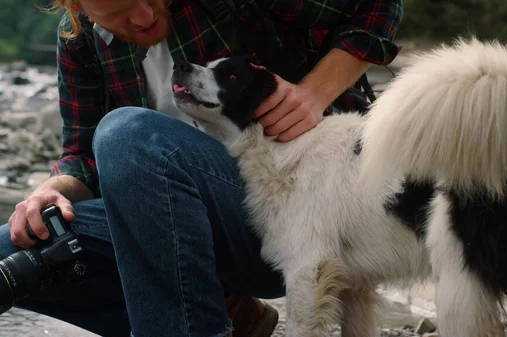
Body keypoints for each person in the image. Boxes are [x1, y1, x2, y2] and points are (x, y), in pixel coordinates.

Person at [0, 0, 403, 336]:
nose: (143, 16)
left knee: (127, 133)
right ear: (78, 7)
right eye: (119, 11)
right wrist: (49, 190)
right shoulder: (80, 43)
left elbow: (378, 6)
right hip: (164, 236)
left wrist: (316, 92)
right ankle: (228, 315)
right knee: (9, 252)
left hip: (289, 217)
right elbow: (83, 157)